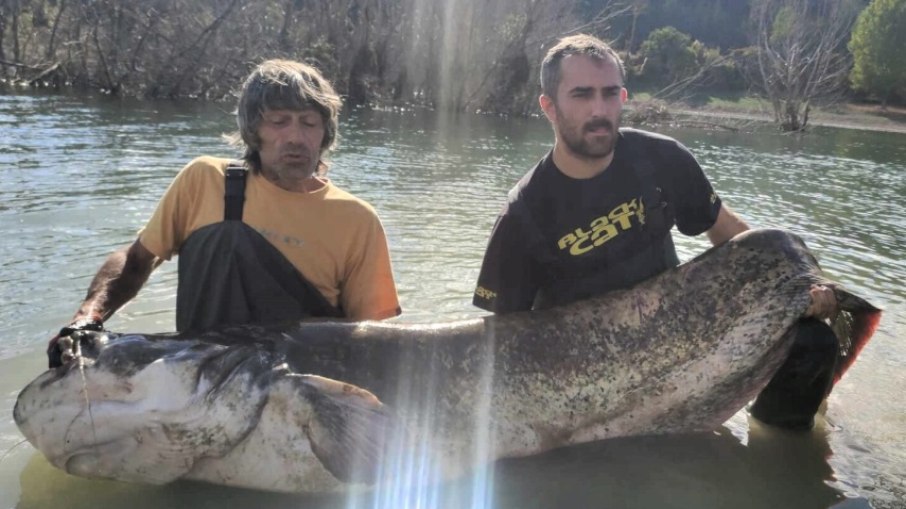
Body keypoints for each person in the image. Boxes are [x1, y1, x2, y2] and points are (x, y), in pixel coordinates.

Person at [472, 34, 838, 430]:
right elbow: (501, 348)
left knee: (814, 342)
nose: (599, 109)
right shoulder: (521, 215)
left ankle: (776, 450)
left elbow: (738, 241)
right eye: (581, 95)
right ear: (549, 106)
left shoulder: (663, 159)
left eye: (610, 93)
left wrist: (800, 285)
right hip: (583, 378)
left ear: (624, 97)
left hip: (679, 346)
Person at [49, 59, 401, 367]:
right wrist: (87, 319)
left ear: (325, 134)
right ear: (253, 131)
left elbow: (371, 340)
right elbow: (136, 260)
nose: (296, 137)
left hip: (297, 399)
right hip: (199, 383)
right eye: (279, 121)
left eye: (309, 123)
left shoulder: (357, 220)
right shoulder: (204, 181)